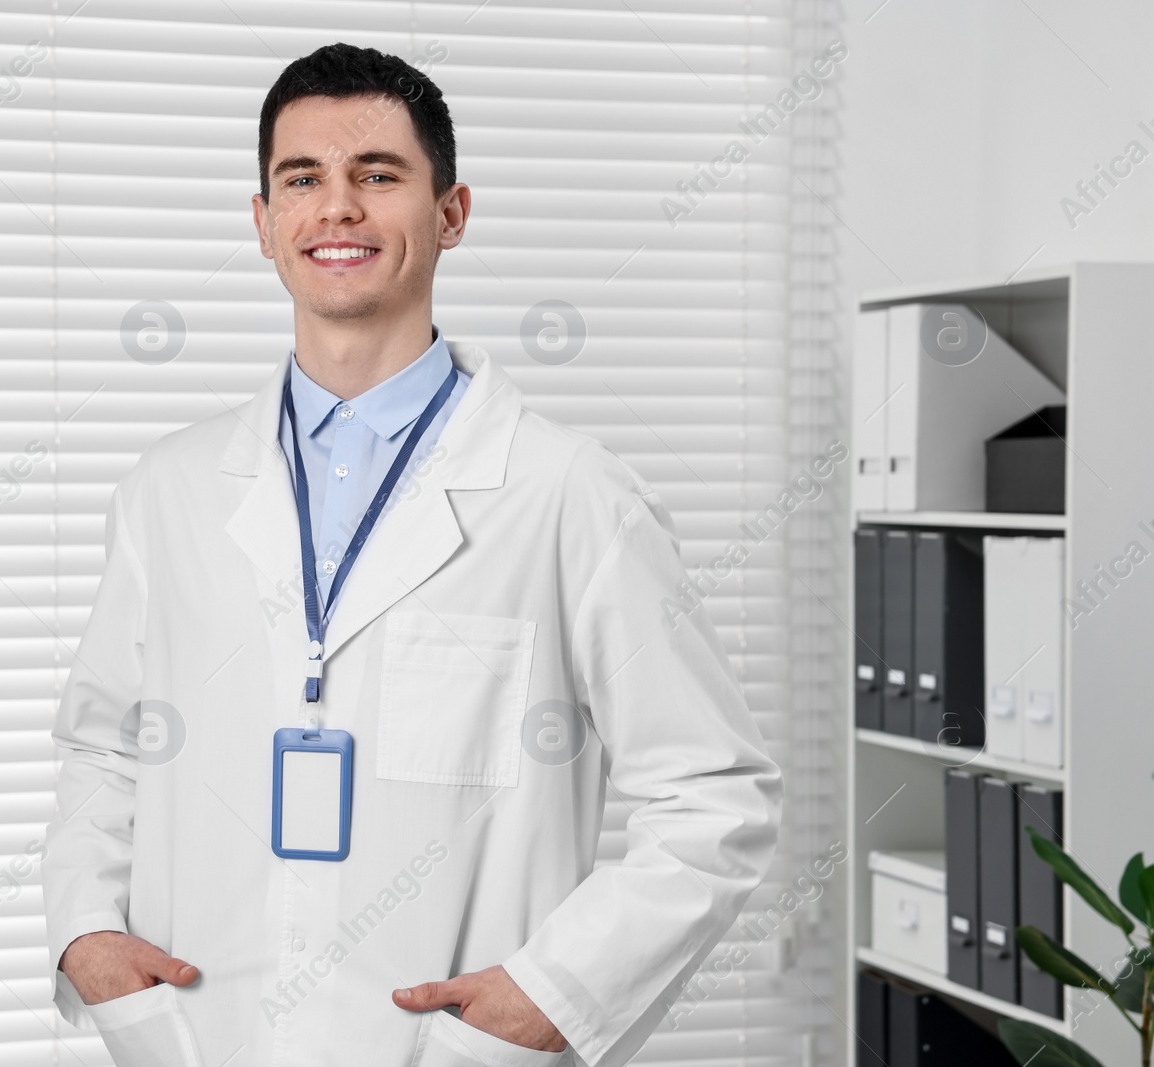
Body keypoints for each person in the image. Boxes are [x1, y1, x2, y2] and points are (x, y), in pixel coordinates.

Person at [43, 41, 782, 1067]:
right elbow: (103, 746)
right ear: (262, 223)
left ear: (451, 213)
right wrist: (85, 932)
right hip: (199, 1028)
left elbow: (713, 792)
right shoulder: (168, 489)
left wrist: (555, 993)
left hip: (440, 1044)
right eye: (301, 179)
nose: (335, 208)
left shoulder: (568, 493)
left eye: (376, 175)